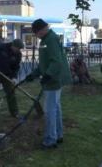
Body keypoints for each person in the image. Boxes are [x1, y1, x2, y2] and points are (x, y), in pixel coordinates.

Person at [25, 19, 71, 150]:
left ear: (42, 30)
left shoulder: (50, 39)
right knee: (56, 108)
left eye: (36, 33)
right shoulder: (47, 40)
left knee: (50, 111)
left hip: (54, 80)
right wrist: (34, 73)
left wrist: (48, 75)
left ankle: (50, 140)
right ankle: (58, 135)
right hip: (53, 78)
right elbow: (45, 62)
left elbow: (56, 62)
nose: (36, 36)